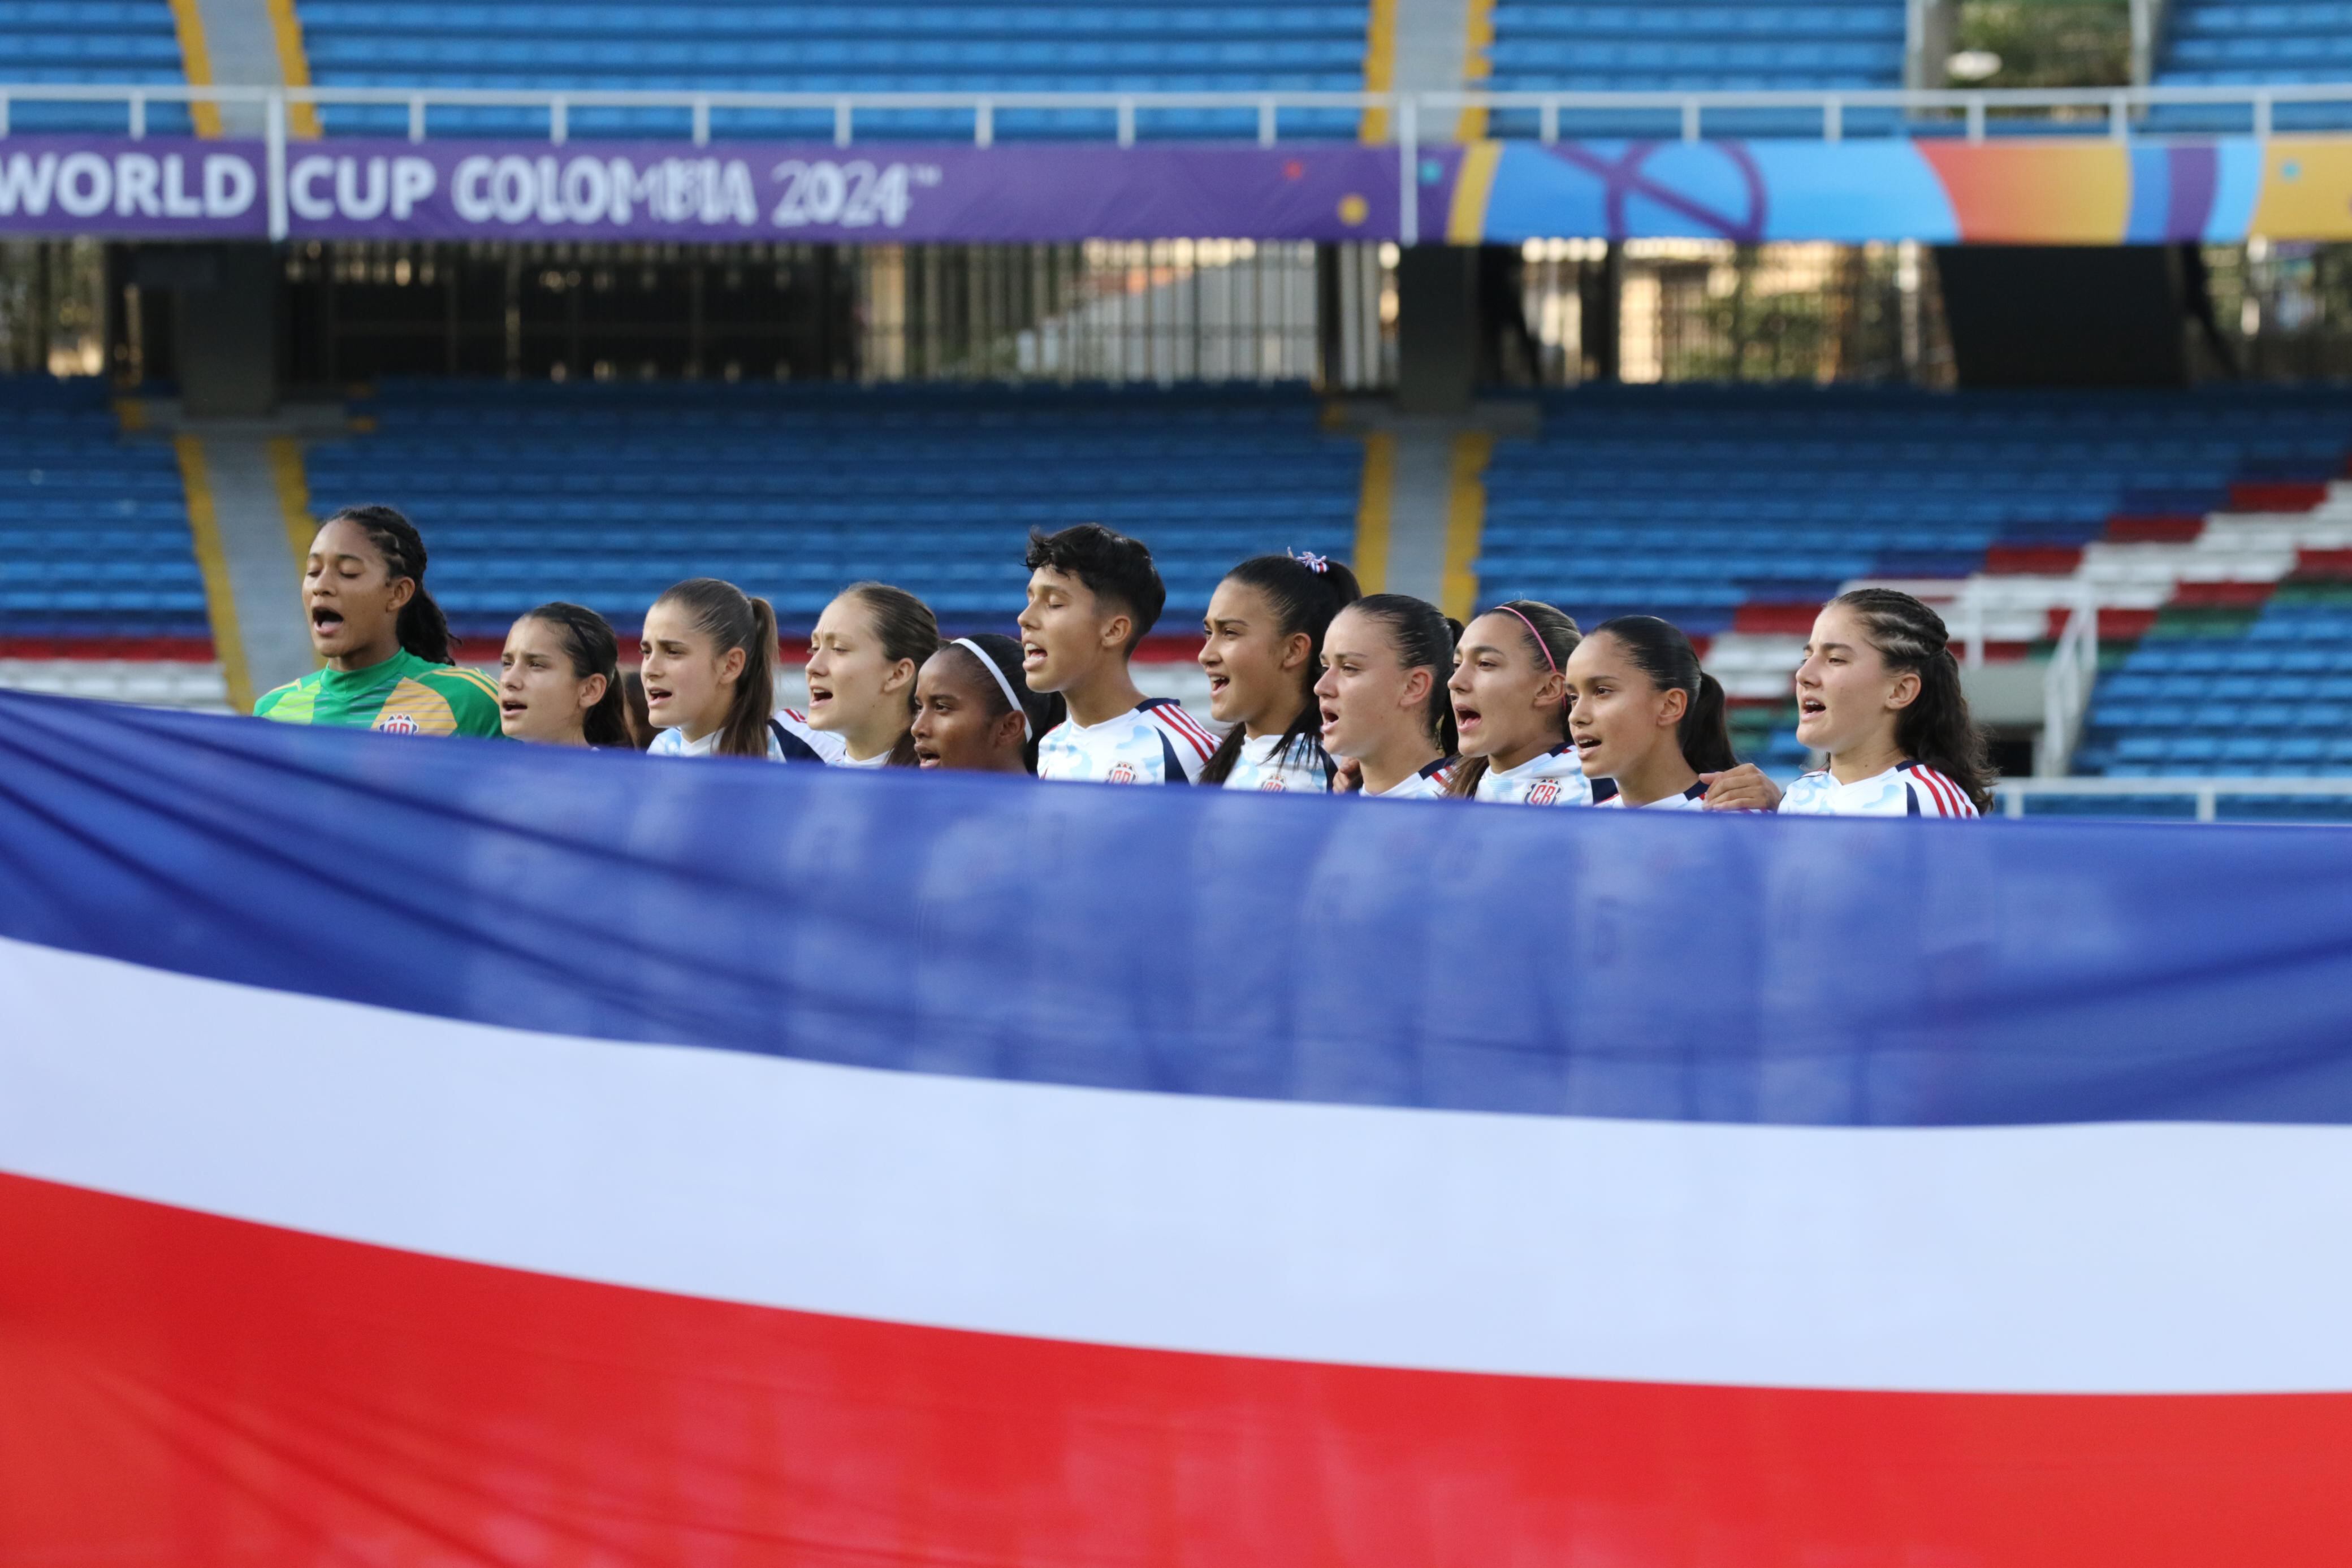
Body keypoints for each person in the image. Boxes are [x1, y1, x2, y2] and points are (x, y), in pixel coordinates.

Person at [1698, 588, 1990, 817]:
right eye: (1807, 657)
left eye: (1835, 659)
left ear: (1900, 691)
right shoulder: (1799, 795)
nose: (1803, 675)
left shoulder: (1925, 800)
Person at [252, 503, 502, 737]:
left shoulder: (470, 702)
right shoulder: (272, 712)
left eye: (348, 573)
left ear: (398, 593)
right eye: (313, 571)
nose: (321, 586)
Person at [1019, 523, 1216, 784]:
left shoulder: (1185, 750)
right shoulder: (1051, 747)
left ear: (1114, 631)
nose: (1024, 618)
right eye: (1030, 600)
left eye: (1054, 604)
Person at [1197, 551, 1360, 792]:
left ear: (1294, 650)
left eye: (1230, 632)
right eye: (1209, 632)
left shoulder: (1326, 776)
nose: (1205, 656)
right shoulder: (1220, 758)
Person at [640, 577, 841, 762]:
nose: (650, 669)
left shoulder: (800, 746)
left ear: (730, 666)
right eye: (646, 652)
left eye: (673, 652)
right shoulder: (660, 752)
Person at [1566, 615, 1736, 809]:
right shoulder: (1581, 826)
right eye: (1573, 697)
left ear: (1670, 706)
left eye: (1602, 691)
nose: (1576, 716)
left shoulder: (1737, 824)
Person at [1445, 599, 1591, 806]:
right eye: (1457, 665)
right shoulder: (1439, 795)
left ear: (1548, 689)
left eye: (1485, 664)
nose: (1454, 682)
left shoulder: (1606, 791)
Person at [1315, 594, 1459, 800]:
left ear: (1412, 686)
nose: (1321, 687)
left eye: (1349, 668)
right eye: (1325, 668)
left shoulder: (1468, 803)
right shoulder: (1335, 802)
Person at [806, 582, 939, 768]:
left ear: (897, 674)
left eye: (839, 649)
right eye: (815, 648)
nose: (812, 667)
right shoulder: (817, 781)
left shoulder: (943, 783)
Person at [911, 633, 1063, 774]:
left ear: (1009, 727)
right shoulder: (908, 801)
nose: (917, 728)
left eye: (941, 707)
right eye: (919, 707)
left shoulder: (1061, 802)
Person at [497, 602, 629, 747]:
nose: (509, 681)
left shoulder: (609, 770)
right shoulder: (486, 769)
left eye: (536, 665)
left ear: (590, 690)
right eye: (507, 664)